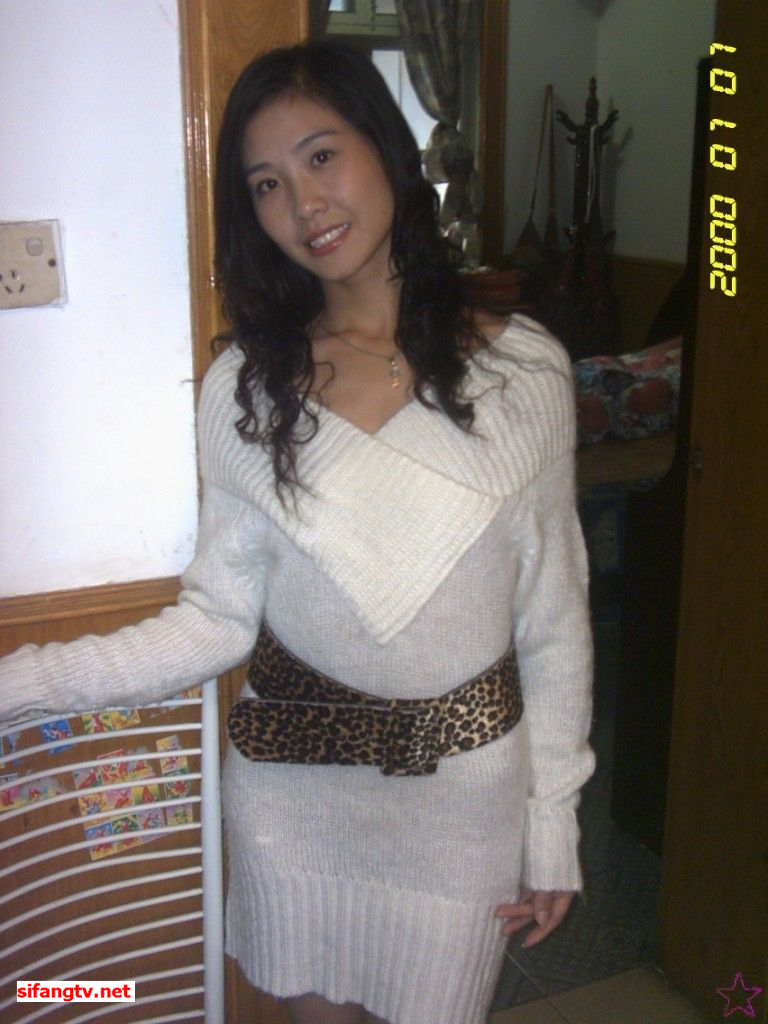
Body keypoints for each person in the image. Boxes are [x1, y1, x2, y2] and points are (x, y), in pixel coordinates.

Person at [0, 40, 594, 1024]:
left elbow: (556, 623)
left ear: (385, 148)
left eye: (322, 156)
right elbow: (216, 620)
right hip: (293, 795)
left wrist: (553, 826)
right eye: (267, 184)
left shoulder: (524, 373)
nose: (305, 204)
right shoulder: (248, 387)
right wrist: (18, 683)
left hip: (462, 806)